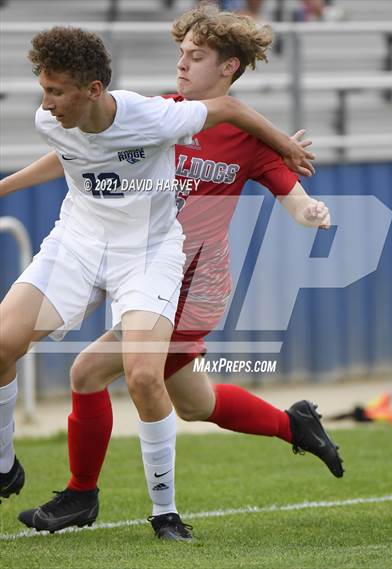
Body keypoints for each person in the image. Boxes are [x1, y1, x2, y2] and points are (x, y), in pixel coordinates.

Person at [0, 8, 341, 541]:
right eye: (180, 53)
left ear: (228, 66)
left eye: (196, 56)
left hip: (189, 277)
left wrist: (312, 213)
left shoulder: (240, 136)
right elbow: (77, 156)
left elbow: (291, 195)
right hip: (134, 261)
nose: (181, 64)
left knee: (94, 373)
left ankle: (87, 497)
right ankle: (294, 425)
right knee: (193, 401)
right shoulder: (159, 110)